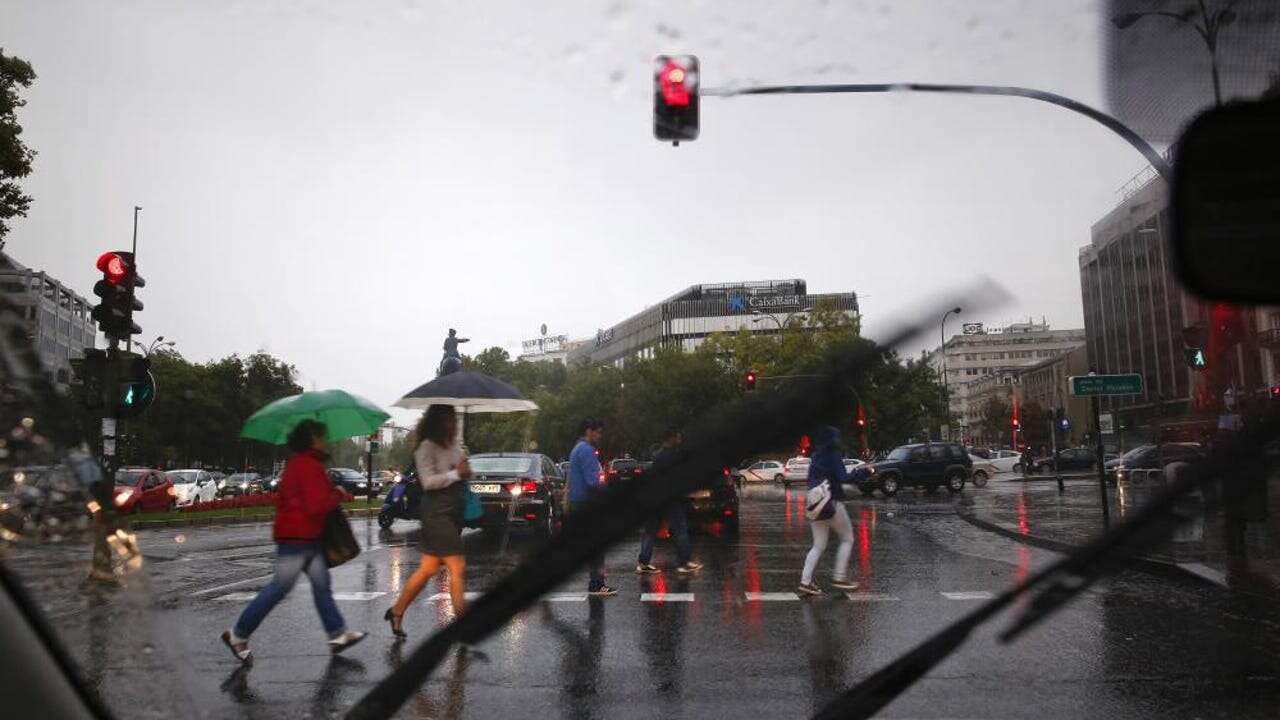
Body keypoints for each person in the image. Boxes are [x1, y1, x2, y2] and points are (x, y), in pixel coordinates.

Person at [221, 420, 366, 662]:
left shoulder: (302, 464)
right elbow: (315, 505)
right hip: (298, 538)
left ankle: (338, 634)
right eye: (322, 436)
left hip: (305, 536)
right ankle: (238, 634)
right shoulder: (307, 466)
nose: (325, 440)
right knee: (280, 588)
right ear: (312, 438)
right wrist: (337, 494)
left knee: (321, 585)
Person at [385, 404, 473, 638]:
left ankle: (397, 611)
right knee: (457, 566)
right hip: (436, 512)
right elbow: (428, 482)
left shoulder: (454, 446)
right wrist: (455, 474)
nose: (454, 424)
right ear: (438, 422)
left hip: (453, 510)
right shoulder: (426, 447)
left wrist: (465, 469)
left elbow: (462, 472)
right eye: (449, 420)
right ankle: (463, 627)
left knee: (428, 568)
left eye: (455, 420)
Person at [798, 426, 859, 596]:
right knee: (847, 538)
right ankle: (839, 577)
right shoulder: (834, 455)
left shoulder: (816, 456)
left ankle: (806, 582)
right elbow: (843, 478)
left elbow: (811, 479)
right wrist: (860, 474)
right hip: (832, 502)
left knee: (818, 545)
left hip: (815, 504)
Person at [636, 429, 702, 575]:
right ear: (671, 438)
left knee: (651, 530)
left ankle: (644, 562)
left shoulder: (658, 456)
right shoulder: (673, 456)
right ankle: (684, 562)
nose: (680, 439)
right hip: (670, 499)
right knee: (680, 528)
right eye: (678, 437)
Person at [567, 418, 617, 596]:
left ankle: (595, 583)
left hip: (579, 502)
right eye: (598, 432)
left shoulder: (576, 449)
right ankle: (597, 584)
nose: (600, 435)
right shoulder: (587, 450)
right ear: (589, 431)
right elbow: (592, 482)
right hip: (588, 503)